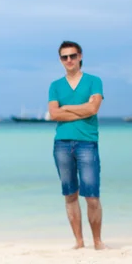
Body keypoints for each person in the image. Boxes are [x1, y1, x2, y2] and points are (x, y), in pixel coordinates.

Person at [47, 41, 106, 250]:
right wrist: (83, 107)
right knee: (70, 194)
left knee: (92, 195)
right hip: (62, 144)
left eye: (72, 56)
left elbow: (94, 108)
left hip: (87, 143)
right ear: (61, 60)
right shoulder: (55, 86)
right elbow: (54, 114)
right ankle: (79, 242)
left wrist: (68, 108)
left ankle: (97, 241)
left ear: (80, 56)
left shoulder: (93, 81)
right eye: (64, 57)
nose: (69, 60)